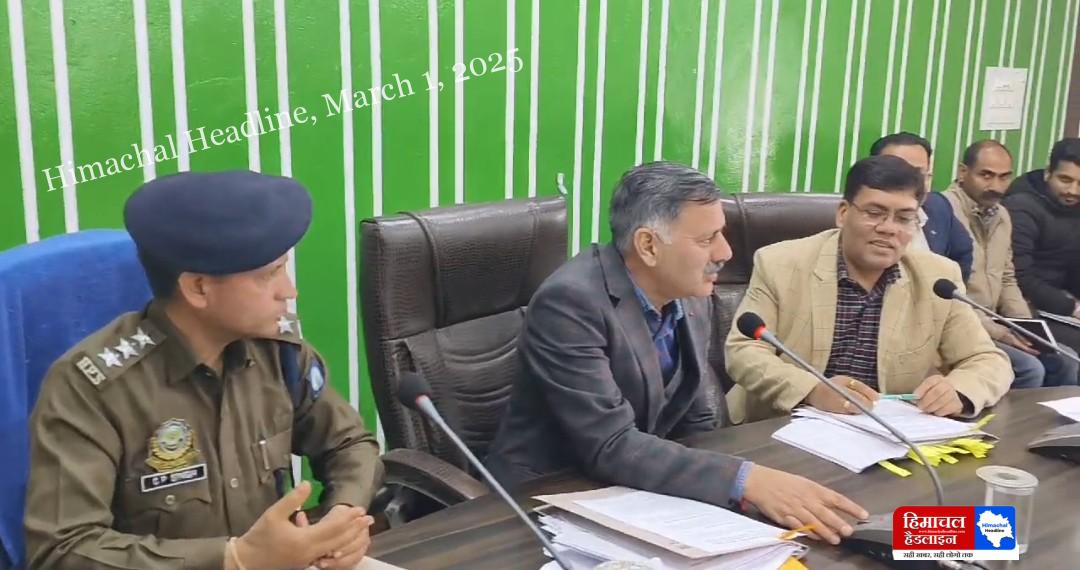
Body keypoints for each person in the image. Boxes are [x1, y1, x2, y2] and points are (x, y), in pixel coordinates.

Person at [486, 162, 869, 546]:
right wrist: (743, 480)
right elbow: (609, 444)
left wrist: (736, 491)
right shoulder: (570, 303)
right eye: (707, 239)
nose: (725, 252)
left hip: (635, 488)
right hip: (543, 499)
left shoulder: (689, 292)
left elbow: (695, 413)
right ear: (649, 246)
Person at [24, 171, 384, 570]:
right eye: (268, 274)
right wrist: (233, 559)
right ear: (198, 288)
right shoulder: (92, 387)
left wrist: (342, 518)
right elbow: (63, 550)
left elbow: (349, 444)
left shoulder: (278, 354)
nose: (289, 291)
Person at [725, 155, 1012, 423]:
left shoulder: (937, 278)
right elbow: (744, 351)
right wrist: (812, 390)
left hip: (885, 432)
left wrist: (958, 390)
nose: (889, 228)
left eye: (904, 218)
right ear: (843, 213)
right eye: (875, 213)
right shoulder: (780, 263)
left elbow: (987, 359)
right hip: (781, 425)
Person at [944, 140, 1079, 388]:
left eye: (1004, 177)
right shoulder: (944, 212)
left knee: (1065, 360)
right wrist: (1000, 331)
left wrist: (1026, 327)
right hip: (960, 323)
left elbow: (1008, 278)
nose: (996, 186)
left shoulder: (1001, 215)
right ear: (963, 172)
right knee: (1030, 369)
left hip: (997, 321)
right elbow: (948, 296)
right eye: (986, 175)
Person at [1004, 137, 1080, 355]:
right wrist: (1072, 307)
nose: (1073, 191)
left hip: (1061, 301)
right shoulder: (1021, 206)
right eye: (1065, 179)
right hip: (1026, 306)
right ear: (1048, 173)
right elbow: (1021, 277)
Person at [869, 132, 974, 281]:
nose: (910, 183)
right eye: (898, 173)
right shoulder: (861, 215)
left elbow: (963, 253)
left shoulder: (938, 207)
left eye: (919, 174)